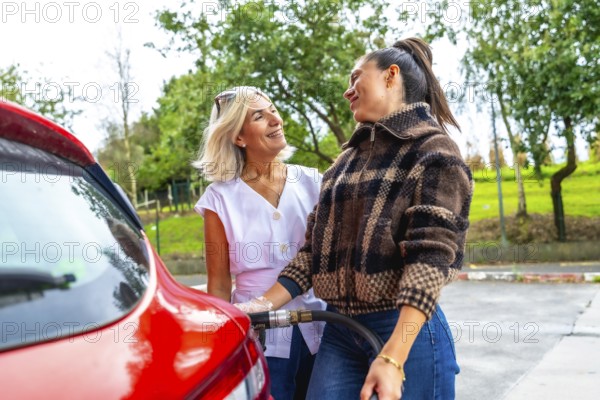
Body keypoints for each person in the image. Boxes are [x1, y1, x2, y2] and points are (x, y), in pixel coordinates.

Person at [235, 38, 474, 400]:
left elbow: (430, 263)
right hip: (341, 329)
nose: (348, 92)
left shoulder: (433, 152)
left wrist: (393, 357)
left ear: (391, 76)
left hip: (405, 327)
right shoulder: (342, 165)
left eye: (356, 78)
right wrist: (258, 307)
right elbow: (311, 254)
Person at [192, 86, 327, 400]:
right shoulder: (218, 198)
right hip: (260, 332)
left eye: (273, 109)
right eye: (259, 115)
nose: (274, 119)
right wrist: (222, 347)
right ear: (239, 137)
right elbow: (220, 284)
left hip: (321, 325)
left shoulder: (314, 181)